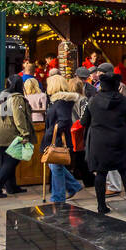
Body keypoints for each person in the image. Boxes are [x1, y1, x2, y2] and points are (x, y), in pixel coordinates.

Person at [86, 70, 126, 214]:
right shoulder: (124, 101)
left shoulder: (92, 100)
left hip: (99, 140)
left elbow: (84, 120)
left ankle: (101, 205)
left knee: (101, 173)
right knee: (124, 170)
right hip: (119, 139)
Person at [0, 75, 33, 197]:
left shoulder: (1, 97)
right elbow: (19, 118)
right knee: (11, 161)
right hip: (11, 134)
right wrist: (25, 133)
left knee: (9, 161)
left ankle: (11, 187)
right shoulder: (17, 98)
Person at [42, 73, 82, 202]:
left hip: (57, 140)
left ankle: (58, 197)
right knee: (55, 166)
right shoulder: (59, 101)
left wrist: (51, 133)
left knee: (56, 167)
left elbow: (64, 121)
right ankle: (73, 186)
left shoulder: (61, 102)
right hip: (56, 138)